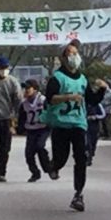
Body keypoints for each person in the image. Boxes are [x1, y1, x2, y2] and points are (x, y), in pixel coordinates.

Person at [43, 42, 90, 211]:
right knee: (61, 157)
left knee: (81, 158)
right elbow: (50, 98)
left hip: (78, 123)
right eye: (70, 53)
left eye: (76, 53)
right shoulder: (57, 78)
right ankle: (53, 165)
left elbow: (90, 99)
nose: (74, 57)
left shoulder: (83, 78)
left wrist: (101, 90)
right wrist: (68, 97)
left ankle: (79, 194)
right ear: (63, 58)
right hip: (61, 123)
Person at [19, 78, 52, 183]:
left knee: (40, 147)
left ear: (35, 89)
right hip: (31, 130)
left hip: (43, 128)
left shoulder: (42, 100)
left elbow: (50, 112)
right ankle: (35, 173)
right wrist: (20, 129)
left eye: (28, 88)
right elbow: (22, 118)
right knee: (29, 153)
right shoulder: (24, 103)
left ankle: (49, 168)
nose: (26, 90)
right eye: (25, 88)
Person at [85, 79, 109, 166]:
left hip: (94, 126)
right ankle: (87, 157)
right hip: (85, 124)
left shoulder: (98, 104)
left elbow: (103, 114)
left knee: (93, 141)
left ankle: (91, 153)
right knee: (86, 142)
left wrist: (96, 117)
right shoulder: (84, 103)